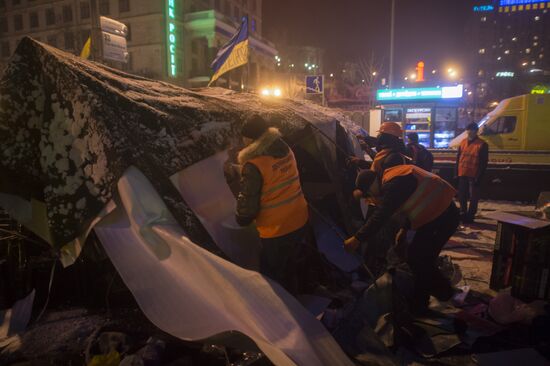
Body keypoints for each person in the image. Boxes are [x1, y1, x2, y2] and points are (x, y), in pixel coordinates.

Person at [344, 165, 459, 312]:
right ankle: (422, 301)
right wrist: (404, 229)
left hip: (443, 215)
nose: (371, 199)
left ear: (371, 187)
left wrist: (357, 238)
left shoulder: (394, 185)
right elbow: (411, 203)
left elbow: (381, 215)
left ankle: (442, 294)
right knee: (416, 257)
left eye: (368, 195)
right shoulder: (391, 178)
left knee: (420, 259)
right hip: (434, 215)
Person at [235, 115, 309, 292]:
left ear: (252, 138)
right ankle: (298, 298)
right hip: (299, 218)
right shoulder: (285, 150)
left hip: (276, 228)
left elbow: (248, 201)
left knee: (275, 276)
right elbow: (275, 178)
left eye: (245, 137)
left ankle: (284, 312)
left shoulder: (253, 164)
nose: (242, 140)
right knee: (293, 266)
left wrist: (242, 218)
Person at [456, 122, 489, 223]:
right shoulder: (462, 142)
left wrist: (479, 177)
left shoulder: (482, 144)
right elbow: (458, 158)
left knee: (473, 197)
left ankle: (470, 216)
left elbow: (483, 162)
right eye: (468, 130)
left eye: (472, 130)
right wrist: (456, 172)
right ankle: (463, 213)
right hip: (462, 173)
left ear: (476, 131)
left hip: (474, 175)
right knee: (462, 195)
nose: (470, 132)